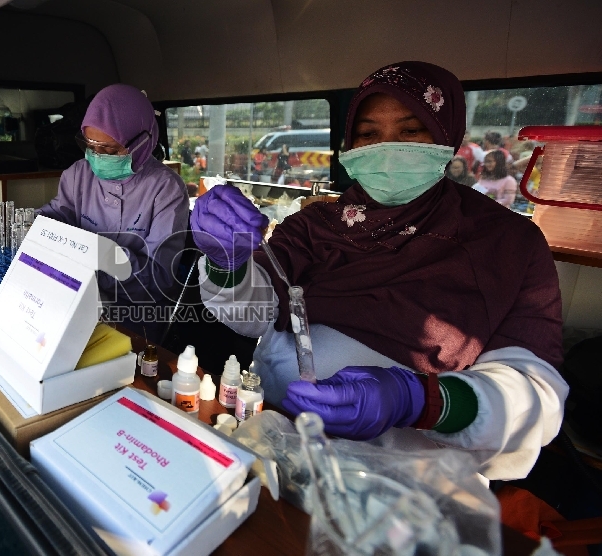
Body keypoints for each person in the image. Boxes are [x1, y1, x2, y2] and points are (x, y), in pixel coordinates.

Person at [191, 61, 566, 481]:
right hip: (278, 437)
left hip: (406, 481)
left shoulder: (506, 243)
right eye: (369, 134)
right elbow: (251, 316)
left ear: (446, 135)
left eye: (410, 131)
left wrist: (419, 401)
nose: (388, 149)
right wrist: (226, 263)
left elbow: (538, 400)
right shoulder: (315, 225)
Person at [36, 84, 190, 339]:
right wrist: (33, 226)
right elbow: (58, 213)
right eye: (91, 147)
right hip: (76, 302)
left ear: (143, 142)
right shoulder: (78, 174)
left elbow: (158, 279)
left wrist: (94, 259)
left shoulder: (166, 189)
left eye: (109, 150)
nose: (98, 158)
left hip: (135, 320)